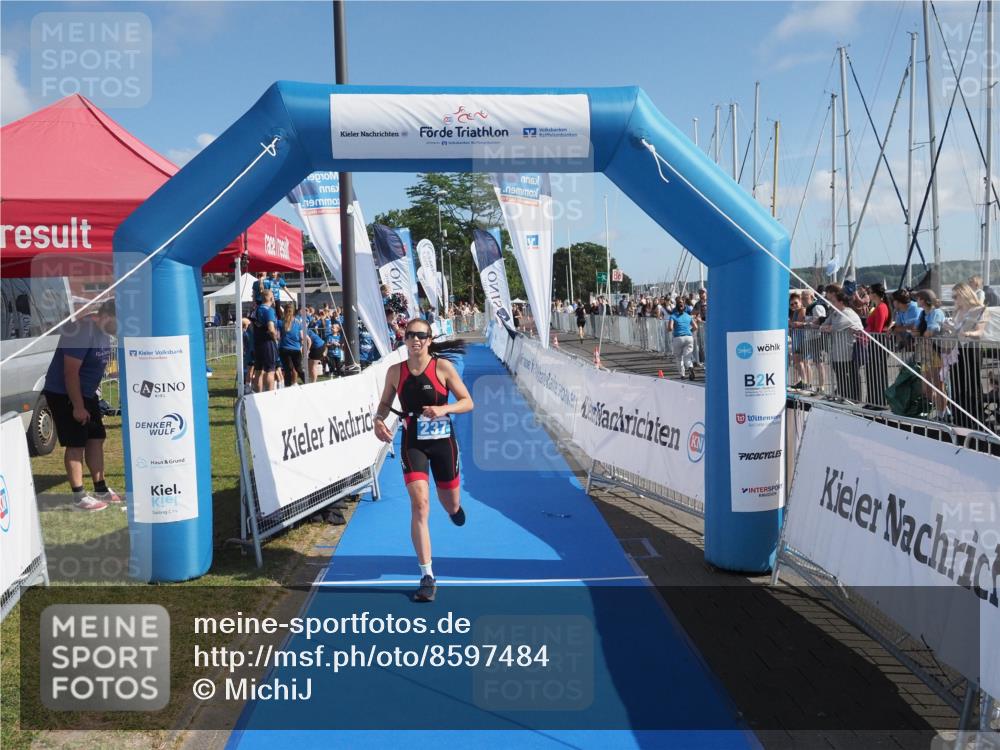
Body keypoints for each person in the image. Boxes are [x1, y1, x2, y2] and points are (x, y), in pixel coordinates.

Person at [373, 319, 474, 603]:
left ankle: (454, 509)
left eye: (420, 335)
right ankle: (427, 575)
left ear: (429, 340)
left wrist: (444, 408)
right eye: (410, 335)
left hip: (443, 442)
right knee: (419, 504)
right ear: (404, 340)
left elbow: (468, 401)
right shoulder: (396, 371)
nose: (415, 340)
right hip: (412, 441)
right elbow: (384, 403)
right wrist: (378, 419)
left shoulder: (442, 368)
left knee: (449, 503)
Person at [42, 299, 121, 511]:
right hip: (65, 392)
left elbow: (97, 366)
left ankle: (100, 488)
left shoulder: (104, 332)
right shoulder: (81, 330)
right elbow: (70, 373)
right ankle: (79, 496)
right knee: (76, 442)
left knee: (96, 437)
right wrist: (77, 406)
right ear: (108, 316)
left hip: (87, 393)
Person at [943, 282, 988, 429]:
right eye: (953, 296)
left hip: (970, 349)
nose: (954, 299)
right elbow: (955, 331)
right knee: (956, 385)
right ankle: (960, 420)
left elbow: (980, 331)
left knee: (971, 384)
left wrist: (968, 333)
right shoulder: (957, 311)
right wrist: (949, 329)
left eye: (956, 296)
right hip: (957, 351)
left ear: (965, 294)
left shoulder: (979, 309)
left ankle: (976, 421)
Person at [821, 289, 863, 402]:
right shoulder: (835, 313)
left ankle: (854, 398)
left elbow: (834, 327)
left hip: (848, 351)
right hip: (837, 351)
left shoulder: (848, 313)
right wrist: (827, 328)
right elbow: (823, 326)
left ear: (841, 302)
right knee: (840, 375)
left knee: (850, 375)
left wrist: (828, 328)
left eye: (833, 301)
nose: (831, 303)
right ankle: (844, 395)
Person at [252, 290, 280, 392]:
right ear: (271, 298)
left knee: (258, 371)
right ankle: (269, 395)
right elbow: (271, 328)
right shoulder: (269, 310)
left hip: (257, 343)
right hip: (268, 343)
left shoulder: (256, 309)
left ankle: (258, 394)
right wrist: (276, 338)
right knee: (270, 371)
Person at [667, 298, 697, 379]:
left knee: (678, 357)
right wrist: (689, 331)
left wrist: (670, 330)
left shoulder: (673, 316)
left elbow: (670, 328)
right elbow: (695, 327)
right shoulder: (688, 316)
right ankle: (690, 367)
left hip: (678, 338)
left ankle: (682, 374)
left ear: (676, 307)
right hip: (689, 337)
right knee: (687, 357)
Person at [278, 305, 305, 386]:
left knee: (287, 370)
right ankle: (308, 384)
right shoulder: (298, 322)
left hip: (284, 348)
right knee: (299, 369)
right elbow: (302, 337)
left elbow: (278, 336)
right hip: (296, 349)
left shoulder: (280, 322)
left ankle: (288, 387)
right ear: (293, 311)